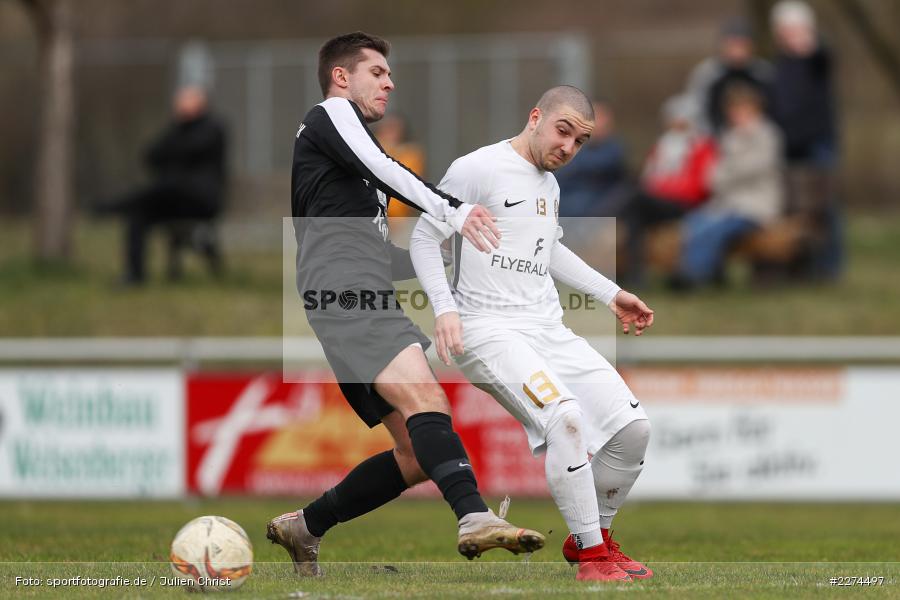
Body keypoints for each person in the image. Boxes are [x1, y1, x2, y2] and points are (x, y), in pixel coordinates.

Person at [266, 31, 544, 575]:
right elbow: (387, 171)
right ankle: (473, 518)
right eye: (378, 72)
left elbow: (371, 246)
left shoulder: (342, 153)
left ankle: (306, 527)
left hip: (347, 294)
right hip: (347, 297)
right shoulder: (330, 115)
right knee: (429, 403)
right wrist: (454, 210)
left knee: (416, 456)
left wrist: (453, 262)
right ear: (341, 77)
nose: (390, 82)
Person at [409, 86, 654, 582]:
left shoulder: (550, 185)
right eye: (563, 131)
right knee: (563, 418)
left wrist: (611, 294)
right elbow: (423, 236)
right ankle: (592, 560)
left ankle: (593, 538)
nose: (568, 147)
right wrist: (444, 310)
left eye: (581, 141)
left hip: (547, 328)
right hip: (487, 329)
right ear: (536, 117)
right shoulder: (476, 168)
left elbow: (550, 249)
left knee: (633, 432)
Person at [96, 85, 227, 285]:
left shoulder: (213, 128)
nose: (180, 104)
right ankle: (134, 275)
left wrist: (173, 153)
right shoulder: (176, 129)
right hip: (173, 201)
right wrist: (176, 139)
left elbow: (189, 150)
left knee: (169, 184)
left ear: (202, 103)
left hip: (201, 200)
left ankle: (112, 207)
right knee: (139, 213)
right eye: (180, 100)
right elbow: (151, 155)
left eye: (187, 99)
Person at [669, 84, 784, 290]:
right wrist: (726, 173)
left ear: (755, 110)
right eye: (734, 110)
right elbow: (712, 177)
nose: (737, 115)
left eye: (742, 110)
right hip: (727, 204)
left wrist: (726, 173)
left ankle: (695, 276)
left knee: (715, 229)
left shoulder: (767, 135)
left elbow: (751, 169)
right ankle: (693, 272)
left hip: (754, 208)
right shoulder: (730, 137)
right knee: (695, 223)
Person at [770, 0, 842, 279]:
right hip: (790, 146)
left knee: (826, 209)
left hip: (818, 144)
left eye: (796, 29)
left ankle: (829, 266)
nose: (791, 35)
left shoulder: (816, 60)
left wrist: (811, 45)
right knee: (797, 211)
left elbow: (825, 55)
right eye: (786, 30)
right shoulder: (781, 65)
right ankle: (801, 266)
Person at [622, 94, 717, 284]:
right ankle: (634, 274)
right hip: (659, 202)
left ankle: (634, 273)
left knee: (634, 200)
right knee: (634, 214)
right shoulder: (664, 145)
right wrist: (662, 185)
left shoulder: (702, 146)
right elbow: (648, 178)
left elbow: (698, 187)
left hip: (686, 205)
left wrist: (663, 186)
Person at [684, 17, 774, 135]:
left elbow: (773, 109)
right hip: (716, 137)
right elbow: (695, 107)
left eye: (742, 45)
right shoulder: (708, 73)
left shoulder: (763, 73)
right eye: (733, 44)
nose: (737, 50)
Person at [554, 100, 630, 218]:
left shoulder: (614, 148)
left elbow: (601, 165)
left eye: (600, 118)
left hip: (596, 207)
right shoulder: (573, 146)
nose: (596, 124)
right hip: (567, 204)